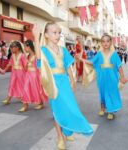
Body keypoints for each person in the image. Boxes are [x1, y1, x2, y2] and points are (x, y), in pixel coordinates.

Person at [33, 22, 93, 150]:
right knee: (57, 110)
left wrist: (72, 80)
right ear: (46, 35)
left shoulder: (63, 49)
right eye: (54, 32)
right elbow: (39, 61)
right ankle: (60, 137)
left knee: (70, 107)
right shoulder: (43, 49)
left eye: (59, 32)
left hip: (64, 82)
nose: (58, 35)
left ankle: (67, 130)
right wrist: (35, 39)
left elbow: (68, 65)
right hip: (53, 84)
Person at [77, 34, 126, 120]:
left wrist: (122, 77)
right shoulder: (99, 54)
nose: (105, 43)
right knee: (103, 93)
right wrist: (81, 59)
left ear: (110, 42)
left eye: (107, 41)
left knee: (110, 93)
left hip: (112, 78)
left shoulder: (114, 54)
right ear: (101, 43)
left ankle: (110, 111)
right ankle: (102, 108)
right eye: (103, 41)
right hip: (102, 78)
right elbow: (92, 62)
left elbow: (119, 67)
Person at [19, 40, 48, 112]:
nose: (24, 49)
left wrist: (41, 76)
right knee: (25, 89)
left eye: (25, 47)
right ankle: (25, 105)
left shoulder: (36, 56)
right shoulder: (27, 56)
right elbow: (25, 67)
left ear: (29, 47)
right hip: (28, 75)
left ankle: (40, 103)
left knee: (36, 89)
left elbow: (39, 66)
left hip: (35, 75)